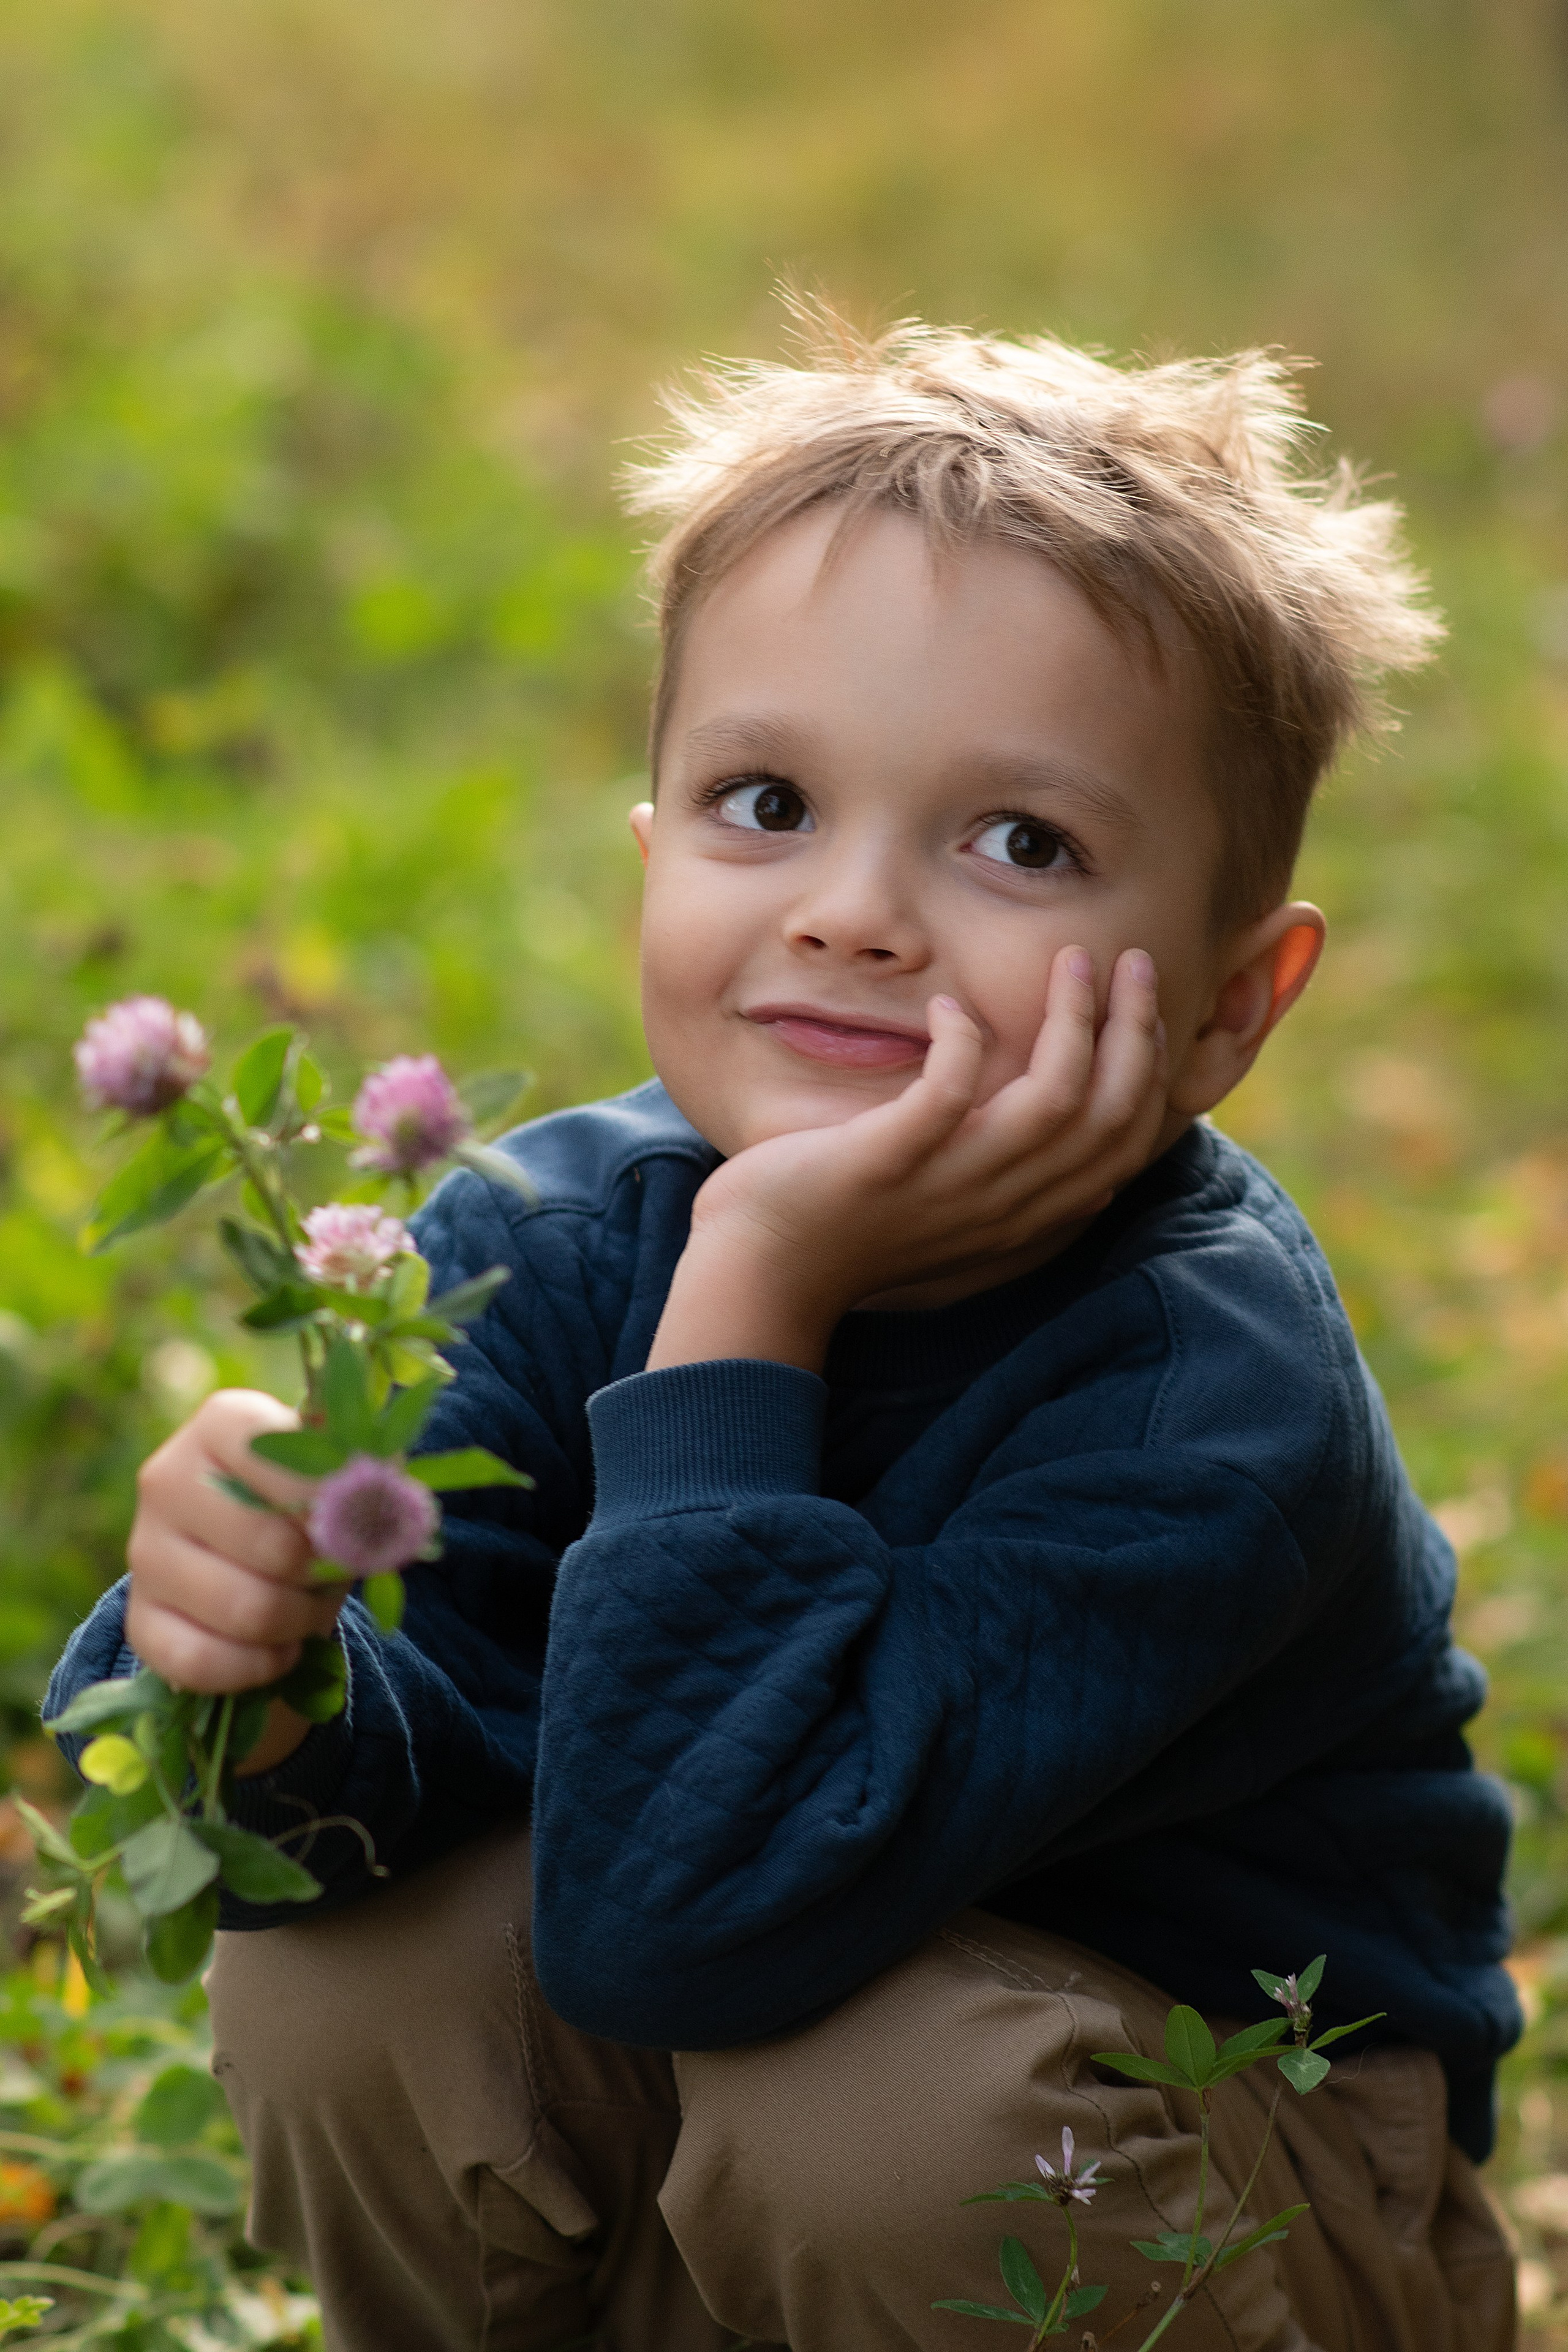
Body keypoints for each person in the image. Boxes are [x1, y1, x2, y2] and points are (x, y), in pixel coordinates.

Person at [48, 311, 1520, 2352]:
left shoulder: (1207, 1395)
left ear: (1225, 1007)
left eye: (1021, 843)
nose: (853, 911)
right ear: (651, 851)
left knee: (877, 2112)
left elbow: (697, 1923)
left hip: (1213, 2194)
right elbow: (399, 1802)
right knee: (349, 1973)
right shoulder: (549, 1245)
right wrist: (250, 1655)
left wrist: (750, 1301)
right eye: (765, 801)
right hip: (747, 2157)